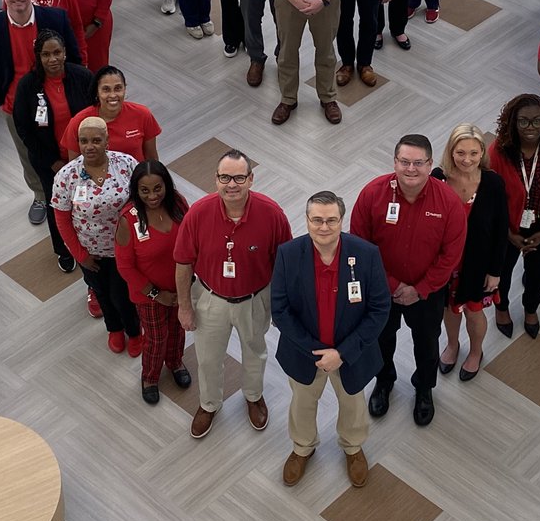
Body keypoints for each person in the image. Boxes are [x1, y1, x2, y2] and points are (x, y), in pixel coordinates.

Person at [271, 191, 390, 489]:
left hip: (351, 354)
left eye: (331, 220)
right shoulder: (288, 254)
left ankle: (352, 447)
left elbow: (379, 309)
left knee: (353, 403)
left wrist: (342, 354)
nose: (324, 227)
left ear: (342, 220)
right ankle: (302, 447)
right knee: (302, 402)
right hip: (304, 352)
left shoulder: (366, 254)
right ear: (307, 220)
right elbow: (280, 310)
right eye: (317, 220)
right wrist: (317, 351)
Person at [174, 150, 292, 440]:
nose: (232, 184)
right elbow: (183, 262)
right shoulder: (198, 213)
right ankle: (209, 404)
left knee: (255, 352)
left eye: (239, 177)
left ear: (251, 179)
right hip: (211, 299)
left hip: (255, 299)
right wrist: (185, 307)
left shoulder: (272, 213)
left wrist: (281, 307)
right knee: (208, 357)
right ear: (215, 179)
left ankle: (253, 396)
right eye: (225, 177)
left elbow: (285, 264)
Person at [350, 134, 467, 426]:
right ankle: (384, 381)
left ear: (430, 165)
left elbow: (451, 254)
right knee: (380, 340)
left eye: (418, 163)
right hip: (380, 290)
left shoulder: (449, 202)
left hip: (426, 294)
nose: (410, 169)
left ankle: (424, 388)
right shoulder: (372, 194)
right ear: (394, 162)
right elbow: (359, 246)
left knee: (427, 344)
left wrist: (421, 289)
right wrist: (392, 285)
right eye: (404, 162)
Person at [0, 0, 82, 226]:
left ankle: (78, 190)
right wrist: (0, 101)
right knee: (29, 154)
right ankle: (40, 195)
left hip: (58, 101)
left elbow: (75, 59)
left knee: (70, 145)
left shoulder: (55, 18)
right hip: (16, 106)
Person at [52, 116, 141, 355]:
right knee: (101, 294)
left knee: (123, 295)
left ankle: (134, 332)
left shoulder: (126, 164)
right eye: (83, 141)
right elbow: (61, 219)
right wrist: (81, 256)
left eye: (96, 140)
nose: (89, 146)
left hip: (125, 248)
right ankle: (113, 328)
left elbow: (141, 201)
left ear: (107, 141)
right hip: (91, 252)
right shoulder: (67, 176)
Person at [489, 95, 540, 339]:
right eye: (523, 122)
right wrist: (508, 233)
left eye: (537, 122)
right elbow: (491, 199)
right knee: (501, 273)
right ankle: (501, 307)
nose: (531, 128)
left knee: (537, 275)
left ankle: (530, 310)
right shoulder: (498, 152)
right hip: (506, 230)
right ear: (512, 122)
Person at [12, 29, 94, 273]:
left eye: (57, 52)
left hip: (85, 159)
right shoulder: (28, 86)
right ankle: (63, 249)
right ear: (38, 57)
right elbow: (23, 129)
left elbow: (96, 116)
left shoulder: (82, 77)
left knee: (85, 201)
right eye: (46, 54)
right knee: (58, 206)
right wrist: (53, 162)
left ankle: (88, 244)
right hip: (50, 163)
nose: (52, 59)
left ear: (65, 52)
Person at [430, 124, 507, 381]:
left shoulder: (493, 183)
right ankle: (452, 345)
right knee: (449, 310)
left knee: (474, 311)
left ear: (482, 153)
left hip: (478, 264)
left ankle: (475, 352)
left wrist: (495, 271)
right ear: (451, 152)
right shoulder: (438, 178)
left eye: (473, 153)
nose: (467, 159)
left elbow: (500, 230)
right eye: (460, 152)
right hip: (445, 263)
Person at [115, 161, 193, 404]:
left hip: (181, 287)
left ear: (167, 186)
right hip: (149, 295)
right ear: (136, 191)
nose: (152, 196)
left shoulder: (179, 204)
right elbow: (125, 266)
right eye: (144, 190)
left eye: (158, 188)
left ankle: (175, 362)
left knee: (178, 330)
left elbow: (192, 240)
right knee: (156, 338)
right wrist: (157, 294)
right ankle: (149, 377)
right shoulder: (128, 220)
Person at [63, 65, 161, 163]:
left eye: (118, 88)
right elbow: (74, 166)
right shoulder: (79, 122)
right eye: (106, 89)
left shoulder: (142, 114)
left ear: (124, 88)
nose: (113, 95)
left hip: (135, 177)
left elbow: (152, 160)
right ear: (97, 91)